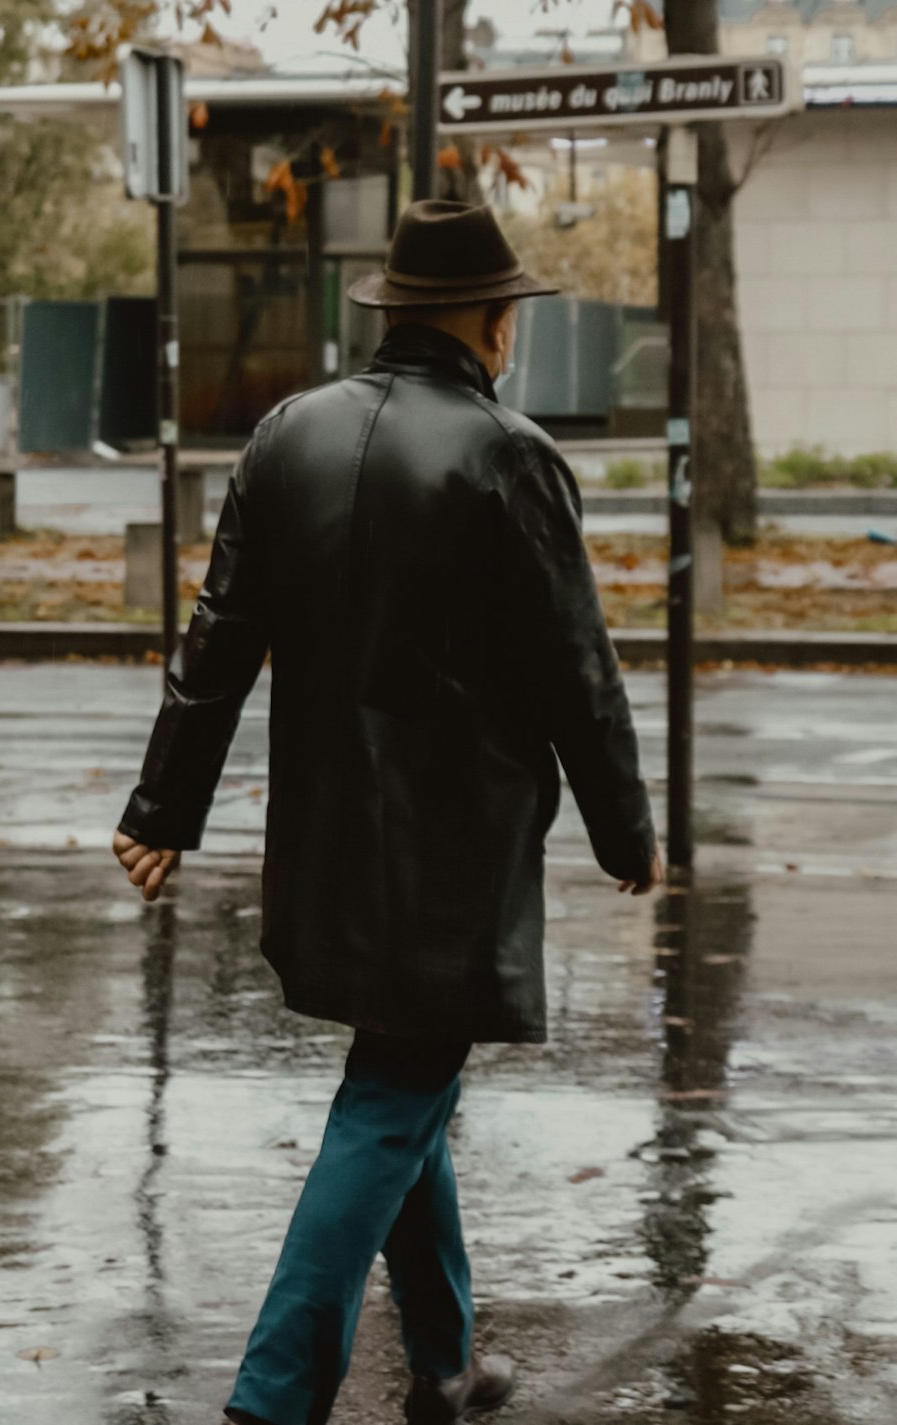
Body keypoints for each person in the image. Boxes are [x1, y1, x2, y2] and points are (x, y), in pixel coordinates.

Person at [113, 198, 663, 1425]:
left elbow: (219, 638)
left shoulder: (286, 435)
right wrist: (627, 831)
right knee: (392, 1096)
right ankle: (270, 1395)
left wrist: (164, 803)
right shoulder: (506, 452)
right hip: (449, 858)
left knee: (404, 1071)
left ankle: (445, 1356)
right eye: (509, 310)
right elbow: (576, 663)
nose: (511, 327)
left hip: (322, 843)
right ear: (482, 319)